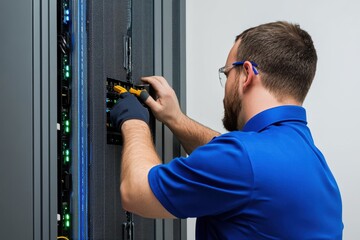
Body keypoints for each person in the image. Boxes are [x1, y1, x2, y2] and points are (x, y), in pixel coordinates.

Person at [110, 21, 343, 239]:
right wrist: (176, 119)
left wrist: (135, 121)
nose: (226, 84)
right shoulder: (318, 170)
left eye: (227, 73)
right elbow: (234, 165)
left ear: (247, 74)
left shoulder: (242, 159)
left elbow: (135, 191)